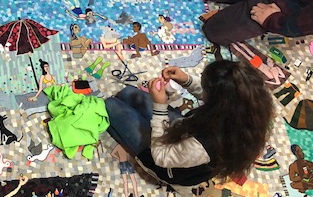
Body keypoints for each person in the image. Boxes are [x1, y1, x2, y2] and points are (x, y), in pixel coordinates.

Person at [105, 60, 273, 188]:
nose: (202, 90)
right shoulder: (246, 107)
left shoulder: (205, 146)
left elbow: (161, 156)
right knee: (127, 93)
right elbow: (217, 95)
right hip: (184, 130)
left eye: (204, 88)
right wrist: (186, 80)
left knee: (110, 106)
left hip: (165, 162)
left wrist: (160, 106)